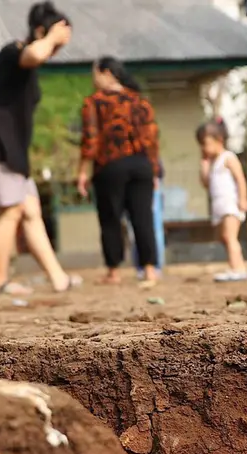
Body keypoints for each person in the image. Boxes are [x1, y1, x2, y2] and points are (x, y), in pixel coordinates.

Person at [0, 1, 79, 296]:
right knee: (11, 211)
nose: (56, 50)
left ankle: (58, 278)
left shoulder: (29, 63)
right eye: (56, 40)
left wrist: (52, 41)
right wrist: (50, 39)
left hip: (13, 150)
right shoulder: (14, 51)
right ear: (39, 31)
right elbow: (34, 53)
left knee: (31, 210)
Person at [75, 56, 161, 287]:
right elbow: (151, 139)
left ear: (107, 73)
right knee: (143, 217)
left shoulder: (94, 102)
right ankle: (150, 269)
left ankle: (113, 271)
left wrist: (82, 171)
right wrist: (153, 170)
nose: (93, 80)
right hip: (141, 165)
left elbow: (90, 140)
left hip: (111, 166)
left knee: (111, 218)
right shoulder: (139, 101)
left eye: (95, 74)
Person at [196, 119, 247, 282]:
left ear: (219, 140)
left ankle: (237, 269)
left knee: (230, 236)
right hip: (218, 206)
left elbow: (240, 179)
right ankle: (237, 265)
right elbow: (206, 184)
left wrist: (243, 199)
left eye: (206, 143)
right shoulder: (212, 163)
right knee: (223, 238)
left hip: (230, 204)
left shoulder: (228, 158)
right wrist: (204, 166)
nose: (204, 148)